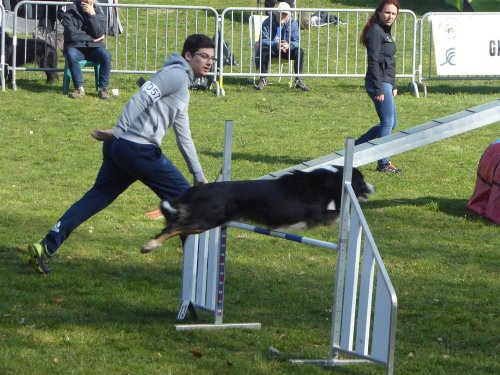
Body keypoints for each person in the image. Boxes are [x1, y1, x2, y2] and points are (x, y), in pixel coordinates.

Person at [28, 34, 215, 275]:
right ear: (188, 56)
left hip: (121, 149)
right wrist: (118, 130)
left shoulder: (181, 84)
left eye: (212, 58)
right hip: (137, 149)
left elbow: (184, 135)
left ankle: (45, 246)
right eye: (204, 56)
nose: (209, 63)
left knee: (95, 198)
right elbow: (140, 98)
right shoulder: (175, 75)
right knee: (188, 204)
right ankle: (198, 273)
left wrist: (198, 175)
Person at [355, 0, 402, 173]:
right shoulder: (375, 31)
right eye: (387, 12)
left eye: (394, 14)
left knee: (391, 123)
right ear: (379, 12)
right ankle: (383, 163)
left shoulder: (385, 31)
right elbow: (373, 61)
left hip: (386, 81)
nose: (390, 16)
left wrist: (393, 84)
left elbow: (388, 60)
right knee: (387, 122)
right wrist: (379, 88)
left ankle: (355, 147)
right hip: (379, 82)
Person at [62, 0, 112, 99]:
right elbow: (71, 34)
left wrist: (92, 15)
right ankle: (79, 88)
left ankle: (103, 89)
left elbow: (98, 33)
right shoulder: (70, 11)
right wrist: (91, 39)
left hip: (94, 48)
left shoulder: (98, 12)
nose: (88, 1)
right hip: (76, 47)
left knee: (106, 55)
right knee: (71, 54)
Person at [255, 1, 309, 91]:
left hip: (286, 50)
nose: (283, 16)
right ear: (277, 13)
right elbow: (263, 40)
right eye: (281, 13)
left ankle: (298, 80)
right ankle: (262, 79)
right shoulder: (267, 22)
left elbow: (297, 42)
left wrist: (289, 45)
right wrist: (275, 45)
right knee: (264, 49)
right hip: (272, 49)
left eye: (286, 14)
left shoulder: (293, 23)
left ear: (289, 14)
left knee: (300, 51)